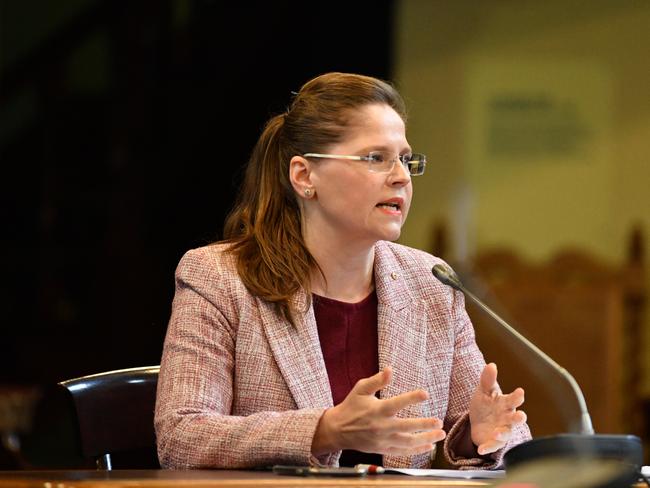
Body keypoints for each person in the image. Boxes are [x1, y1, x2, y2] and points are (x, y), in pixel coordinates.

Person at [154, 72, 531, 470]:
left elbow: (504, 438)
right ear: (304, 176)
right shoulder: (220, 277)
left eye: (405, 159)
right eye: (375, 158)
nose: (401, 176)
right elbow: (182, 438)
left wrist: (481, 438)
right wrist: (326, 429)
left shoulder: (430, 281)